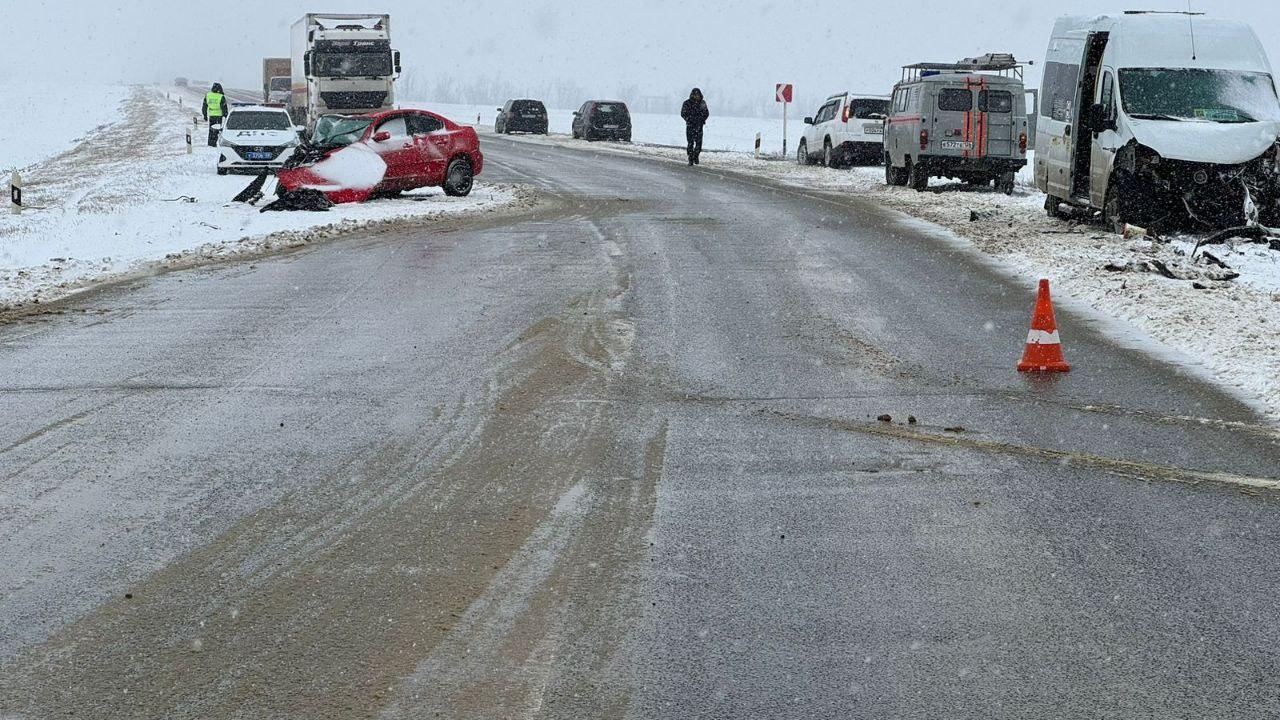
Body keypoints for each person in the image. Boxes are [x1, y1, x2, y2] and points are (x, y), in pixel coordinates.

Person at [680, 88, 709, 166]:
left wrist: (702, 120)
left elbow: (706, 113)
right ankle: (690, 157)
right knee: (690, 143)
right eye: (695, 94)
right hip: (690, 126)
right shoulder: (687, 103)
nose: (696, 96)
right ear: (692, 95)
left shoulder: (702, 103)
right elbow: (683, 113)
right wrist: (689, 119)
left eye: (698, 95)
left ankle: (696, 155)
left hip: (699, 126)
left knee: (699, 143)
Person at [203, 83, 228, 147]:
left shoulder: (208, 95)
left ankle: (211, 143)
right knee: (217, 130)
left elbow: (204, 106)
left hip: (211, 116)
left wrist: (205, 115)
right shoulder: (221, 96)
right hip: (218, 116)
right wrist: (226, 116)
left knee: (211, 130)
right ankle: (215, 143)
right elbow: (224, 107)